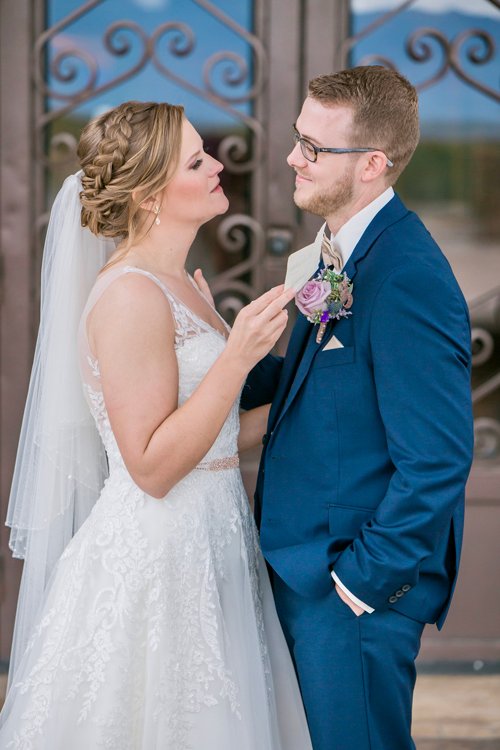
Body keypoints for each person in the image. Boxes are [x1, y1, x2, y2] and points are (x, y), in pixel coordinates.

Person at [0, 101, 313, 749]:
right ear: (148, 196)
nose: (218, 164)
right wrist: (237, 355)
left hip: (215, 538)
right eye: (196, 160)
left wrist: (323, 384)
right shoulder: (131, 296)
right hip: (160, 558)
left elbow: (216, 439)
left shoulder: (182, 284)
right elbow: (151, 466)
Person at [240, 66, 474, 750]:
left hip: (351, 592)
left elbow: (437, 458)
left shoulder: (406, 276)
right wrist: (221, 358)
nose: (292, 157)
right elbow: (322, 380)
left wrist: (359, 584)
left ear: (372, 164)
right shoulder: (344, 253)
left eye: (314, 147)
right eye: (297, 138)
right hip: (307, 569)